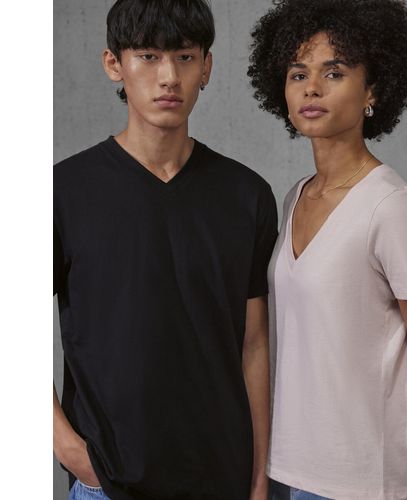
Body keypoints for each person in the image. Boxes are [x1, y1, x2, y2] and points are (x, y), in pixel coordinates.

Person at [53, 1, 277, 499]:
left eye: (185, 57)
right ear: (114, 64)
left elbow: (255, 344)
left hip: (223, 480)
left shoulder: (246, 195)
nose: (169, 77)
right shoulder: (64, 192)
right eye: (149, 56)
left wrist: (259, 476)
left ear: (207, 67)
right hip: (109, 484)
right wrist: (70, 450)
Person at [248, 0, 407, 499]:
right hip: (289, 472)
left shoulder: (391, 208)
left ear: (372, 89)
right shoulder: (295, 197)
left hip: (365, 483)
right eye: (298, 74)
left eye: (333, 72)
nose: (311, 87)